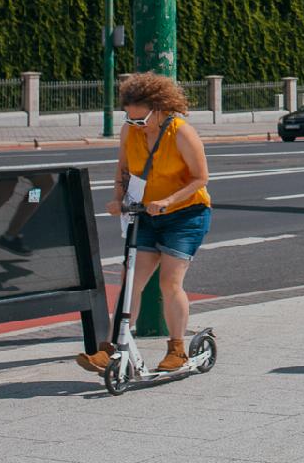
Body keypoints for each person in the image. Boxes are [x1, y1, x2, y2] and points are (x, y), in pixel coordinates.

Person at [76, 73, 211, 374]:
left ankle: (177, 349)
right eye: (131, 119)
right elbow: (123, 168)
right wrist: (117, 197)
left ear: (161, 108)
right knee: (130, 281)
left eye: (142, 119)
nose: (137, 125)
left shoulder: (181, 132)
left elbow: (200, 178)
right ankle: (111, 349)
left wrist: (169, 201)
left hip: (185, 215)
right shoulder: (130, 131)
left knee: (169, 282)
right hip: (146, 214)